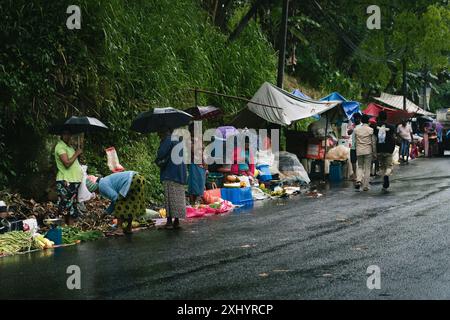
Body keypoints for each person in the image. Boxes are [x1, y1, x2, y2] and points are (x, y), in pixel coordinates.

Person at [156, 128, 187, 229]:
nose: (158, 135)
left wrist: (161, 145)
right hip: (180, 173)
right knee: (177, 197)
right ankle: (176, 221)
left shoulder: (168, 140)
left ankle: (169, 222)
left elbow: (161, 153)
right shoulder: (178, 140)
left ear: (165, 132)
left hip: (170, 173)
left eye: (159, 132)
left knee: (169, 197)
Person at [54, 130, 83, 225]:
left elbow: (74, 161)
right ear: (62, 135)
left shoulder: (69, 147)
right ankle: (61, 229)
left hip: (74, 180)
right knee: (63, 206)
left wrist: (78, 152)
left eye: (69, 133)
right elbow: (67, 163)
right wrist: (77, 153)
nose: (68, 136)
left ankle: (70, 229)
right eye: (66, 133)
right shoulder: (60, 146)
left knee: (72, 206)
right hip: (65, 180)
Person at [374, 111, 396, 192]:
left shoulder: (375, 127)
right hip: (388, 149)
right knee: (389, 166)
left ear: (379, 117)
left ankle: (384, 185)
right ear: (386, 118)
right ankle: (387, 176)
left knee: (382, 167)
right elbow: (394, 138)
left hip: (379, 149)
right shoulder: (392, 127)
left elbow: (374, 138)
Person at [354, 114, 376, 191]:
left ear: (361, 120)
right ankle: (365, 186)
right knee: (367, 168)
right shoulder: (370, 130)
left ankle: (359, 180)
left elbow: (355, 141)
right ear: (368, 121)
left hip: (359, 150)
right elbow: (373, 142)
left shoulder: (356, 130)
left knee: (360, 166)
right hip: (368, 151)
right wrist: (374, 153)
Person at [187, 124, 207, 205]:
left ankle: (196, 202)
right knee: (193, 186)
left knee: (200, 185)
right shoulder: (189, 140)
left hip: (201, 165)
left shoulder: (199, 140)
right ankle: (192, 203)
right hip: (194, 165)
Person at [347, 113, 362, 180]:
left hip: (360, 146)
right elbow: (349, 133)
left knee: (360, 162)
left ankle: (360, 175)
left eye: (357, 118)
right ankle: (355, 175)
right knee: (353, 161)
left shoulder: (362, 126)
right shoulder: (353, 126)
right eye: (355, 118)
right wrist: (352, 128)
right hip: (353, 147)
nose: (356, 119)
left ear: (360, 119)